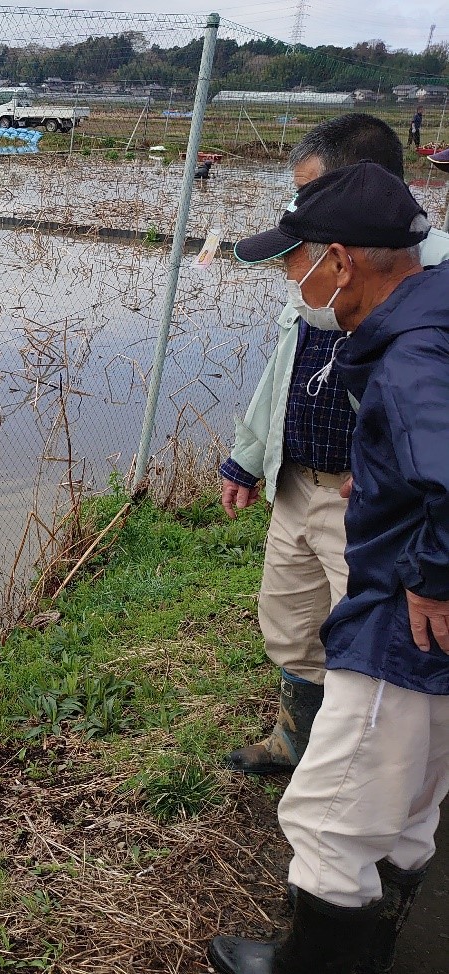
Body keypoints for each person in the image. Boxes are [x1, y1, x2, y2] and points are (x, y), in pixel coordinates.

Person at [208, 162, 449, 974]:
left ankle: (313, 964)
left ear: (339, 262)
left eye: (295, 261)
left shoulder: (411, 355)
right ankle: (377, 947)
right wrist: (380, 472)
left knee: (327, 812)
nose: (291, 281)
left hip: (398, 616)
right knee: (411, 797)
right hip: (419, 615)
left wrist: (432, 575)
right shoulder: (432, 317)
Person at [219, 113, 449, 775]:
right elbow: (282, 369)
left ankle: (377, 780)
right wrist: (248, 455)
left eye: (310, 195)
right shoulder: (316, 267)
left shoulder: (424, 280)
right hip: (300, 479)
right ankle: (296, 737)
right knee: (291, 621)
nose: (299, 213)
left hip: (373, 504)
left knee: (375, 646)